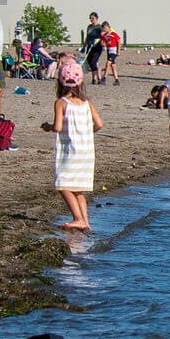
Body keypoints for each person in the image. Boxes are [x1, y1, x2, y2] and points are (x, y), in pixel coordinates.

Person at [40, 61, 102, 230]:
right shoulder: (86, 102)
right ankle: (85, 222)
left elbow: (58, 127)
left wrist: (48, 127)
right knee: (78, 188)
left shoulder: (61, 102)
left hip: (70, 150)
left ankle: (77, 218)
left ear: (60, 82)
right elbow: (99, 124)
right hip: (87, 151)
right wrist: (88, 132)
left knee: (63, 183)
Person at [82, 13, 105, 82]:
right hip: (89, 46)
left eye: (93, 18)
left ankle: (97, 77)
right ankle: (94, 78)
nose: (91, 20)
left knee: (93, 61)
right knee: (89, 61)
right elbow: (87, 36)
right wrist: (84, 45)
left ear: (96, 18)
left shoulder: (99, 27)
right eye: (90, 18)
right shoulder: (89, 27)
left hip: (97, 47)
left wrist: (99, 39)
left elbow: (103, 35)